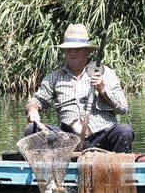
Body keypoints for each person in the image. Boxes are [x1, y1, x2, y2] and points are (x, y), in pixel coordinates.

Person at [24, 23, 134, 153]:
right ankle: (48, 168)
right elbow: (36, 101)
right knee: (32, 129)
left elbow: (123, 108)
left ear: (87, 51)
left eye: (77, 49)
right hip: (67, 139)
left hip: (102, 137)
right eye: (69, 49)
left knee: (125, 131)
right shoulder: (54, 77)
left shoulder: (104, 72)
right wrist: (32, 109)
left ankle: (116, 167)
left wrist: (103, 91)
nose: (72, 53)